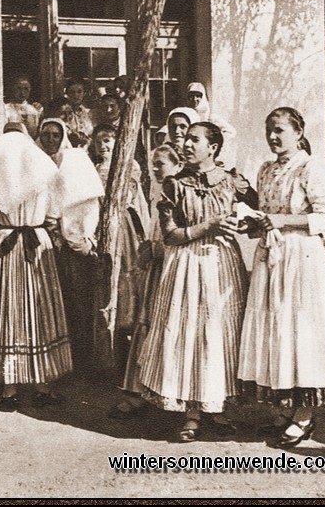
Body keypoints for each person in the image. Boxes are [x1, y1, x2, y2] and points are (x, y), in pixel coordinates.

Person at [238, 107, 325, 447]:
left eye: (279, 130)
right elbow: (268, 214)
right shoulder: (265, 170)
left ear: (298, 131)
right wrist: (254, 224)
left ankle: (305, 414)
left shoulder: (312, 168)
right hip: (272, 257)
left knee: (302, 331)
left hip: (303, 259)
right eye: (269, 131)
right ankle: (284, 408)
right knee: (276, 331)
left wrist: (282, 221)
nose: (273, 137)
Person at [138, 124, 256, 440]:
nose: (186, 143)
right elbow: (170, 234)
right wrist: (209, 227)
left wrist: (242, 224)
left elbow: (259, 218)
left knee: (219, 332)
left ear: (213, 147)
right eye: (186, 138)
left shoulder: (234, 181)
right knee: (189, 332)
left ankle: (216, 407)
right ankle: (190, 413)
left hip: (222, 264)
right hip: (185, 264)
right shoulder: (174, 185)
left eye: (195, 139)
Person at [0, 127, 72, 410]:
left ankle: (9, 388)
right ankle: (42, 384)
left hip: (6, 244)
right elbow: (55, 211)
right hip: (35, 243)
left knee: (8, 311)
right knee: (37, 310)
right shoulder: (43, 171)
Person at [110, 143, 183, 419]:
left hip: (173, 266)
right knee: (145, 326)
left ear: (177, 165)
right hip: (156, 267)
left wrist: (156, 250)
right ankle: (139, 392)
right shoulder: (156, 191)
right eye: (153, 163)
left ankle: (168, 392)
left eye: (161, 163)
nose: (155, 168)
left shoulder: (180, 190)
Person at [38, 118, 104, 372]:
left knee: (77, 302)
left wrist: (72, 236)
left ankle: (81, 359)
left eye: (56, 135)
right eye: (46, 135)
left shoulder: (72, 163)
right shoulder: (36, 162)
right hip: (45, 242)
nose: (51, 140)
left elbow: (81, 205)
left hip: (70, 244)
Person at [90, 123, 150, 372]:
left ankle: (126, 345)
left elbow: (128, 197)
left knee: (125, 277)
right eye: (99, 142)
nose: (103, 146)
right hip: (100, 222)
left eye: (108, 141)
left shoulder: (129, 166)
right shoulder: (94, 168)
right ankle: (107, 352)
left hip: (122, 224)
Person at [185, 82, 237, 169]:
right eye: (191, 96)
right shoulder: (185, 115)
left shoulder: (210, 117)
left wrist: (213, 140)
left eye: (198, 96)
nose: (194, 99)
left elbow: (231, 132)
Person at [64, 78, 94, 146]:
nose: (76, 95)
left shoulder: (89, 114)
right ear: (67, 94)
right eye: (72, 92)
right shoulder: (62, 113)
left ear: (84, 93)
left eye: (79, 92)